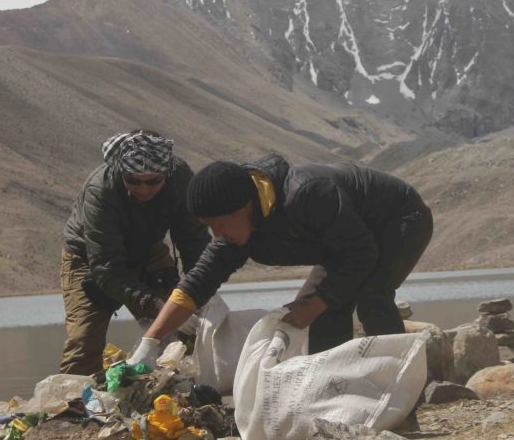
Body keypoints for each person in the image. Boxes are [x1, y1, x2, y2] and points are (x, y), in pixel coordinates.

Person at [127, 153, 433, 367]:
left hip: (399, 219)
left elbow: (360, 254)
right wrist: (150, 342)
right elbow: (195, 286)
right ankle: (333, 393)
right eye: (209, 226)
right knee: (321, 312)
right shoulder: (236, 231)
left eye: (219, 224)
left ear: (243, 207)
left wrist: (315, 304)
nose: (216, 233)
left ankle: (401, 393)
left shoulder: (306, 194)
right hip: (344, 241)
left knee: (371, 298)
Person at [59, 130, 210, 375]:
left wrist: (201, 292)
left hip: (149, 251)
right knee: (84, 343)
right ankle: (76, 407)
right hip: (89, 259)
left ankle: (178, 397)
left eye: (153, 181)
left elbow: (194, 240)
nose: (143, 189)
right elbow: (106, 268)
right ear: (120, 173)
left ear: (166, 174)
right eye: (133, 181)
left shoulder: (180, 178)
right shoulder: (100, 191)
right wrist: (158, 306)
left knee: (185, 334)